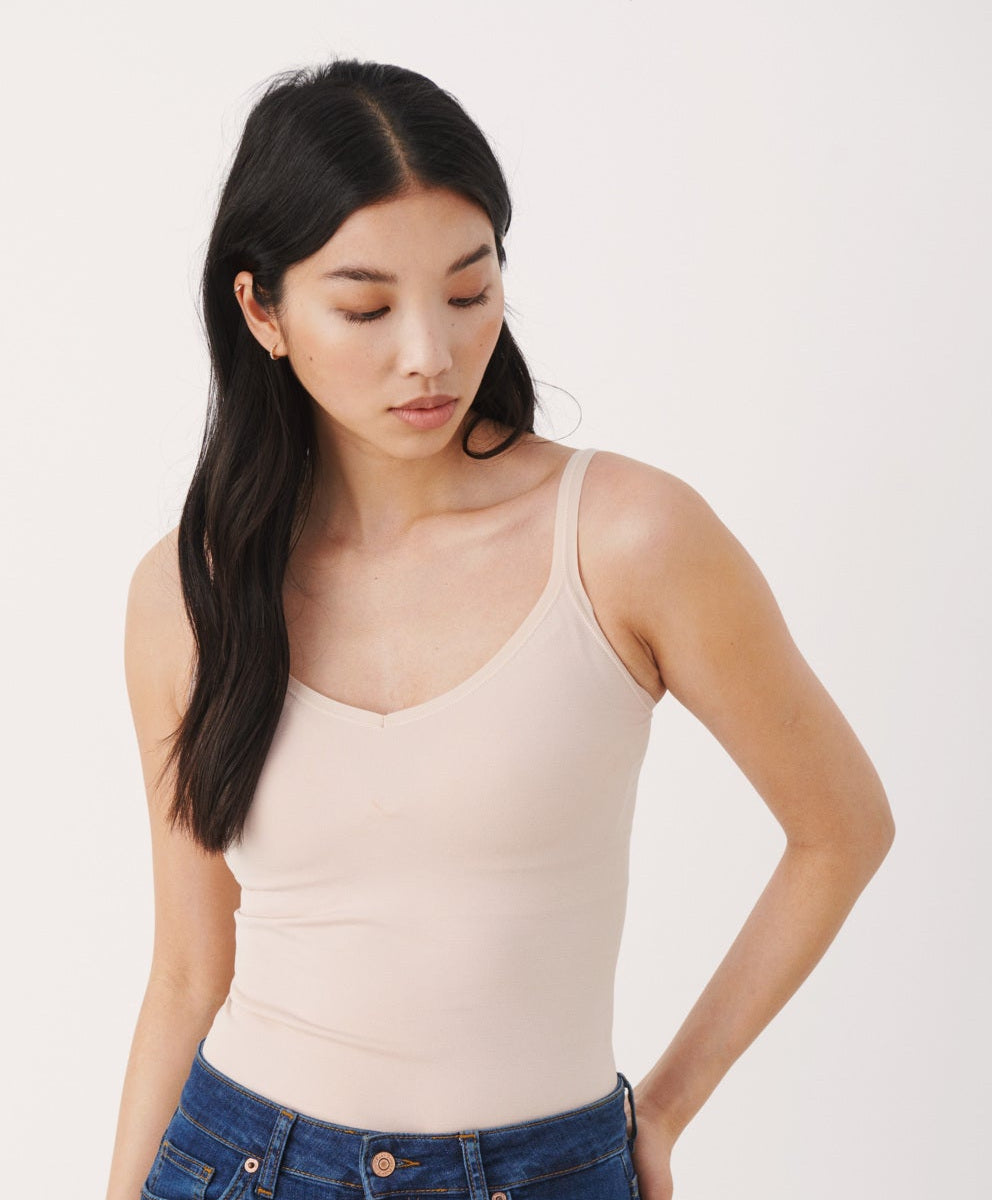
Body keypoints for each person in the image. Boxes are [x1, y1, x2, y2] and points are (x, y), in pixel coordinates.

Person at [105, 59, 894, 1200]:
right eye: (367, 307)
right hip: (238, 1162)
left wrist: (661, 1107)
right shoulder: (191, 592)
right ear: (262, 310)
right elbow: (187, 969)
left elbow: (842, 828)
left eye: (470, 292)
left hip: (546, 1169)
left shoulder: (626, 539)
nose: (428, 352)